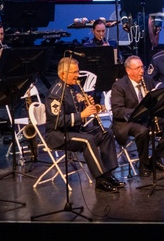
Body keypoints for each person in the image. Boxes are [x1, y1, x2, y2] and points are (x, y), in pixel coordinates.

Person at [45, 56, 123, 193]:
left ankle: (108, 173)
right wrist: (82, 114)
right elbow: (58, 121)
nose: (77, 75)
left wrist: (86, 105)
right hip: (57, 134)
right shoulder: (56, 93)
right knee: (88, 141)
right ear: (63, 74)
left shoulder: (74, 88)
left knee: (106, 133)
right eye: (74, 72)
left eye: (77, 72)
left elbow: (76, 110)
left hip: (75, 130)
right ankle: (100, 180)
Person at [111, 56, 164, 175]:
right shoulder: (119, 85)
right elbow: (117, 111)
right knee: (142, 131)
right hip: (126, 122)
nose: (141, 71)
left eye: (142, 67)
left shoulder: (148, 80)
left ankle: (156, 158)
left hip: (146, 119)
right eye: (137, 68)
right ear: (128, 70)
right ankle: (144, 164)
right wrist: (139, 111)